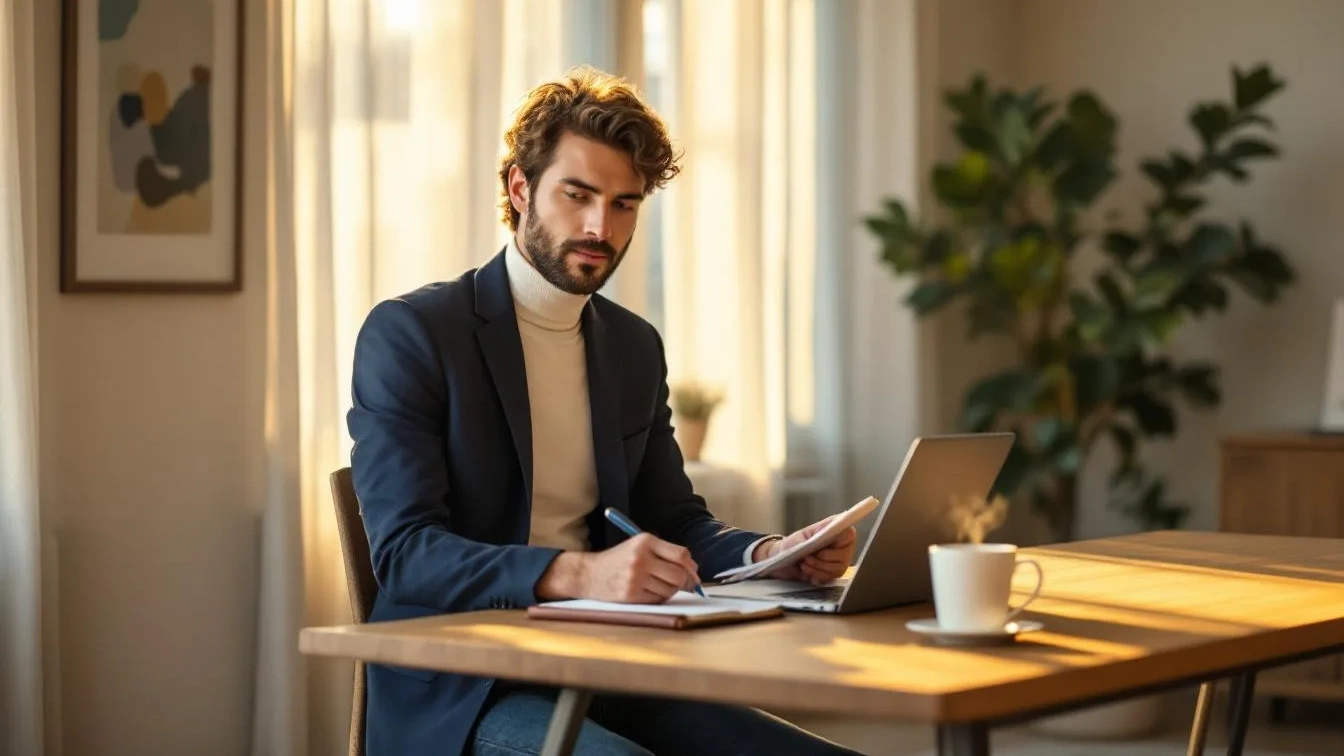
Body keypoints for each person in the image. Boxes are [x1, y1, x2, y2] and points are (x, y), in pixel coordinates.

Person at [347, 66, 866, 756]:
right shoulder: (413, 333)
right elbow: (407, 553)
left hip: (611, 666)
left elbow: (673, 517)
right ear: (520, 189)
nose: (601, 227)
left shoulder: (632, 346)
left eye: (624, 204)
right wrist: (581, 573)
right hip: (466, 685)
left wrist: (769, 555)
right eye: (578, 195)